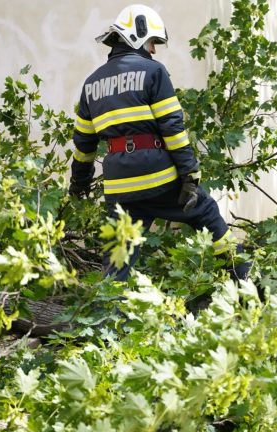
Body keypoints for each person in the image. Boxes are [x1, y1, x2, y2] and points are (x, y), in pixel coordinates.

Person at [69, 4, 248, 281]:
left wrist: (79, 183)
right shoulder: (153, 71)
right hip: (157, 176)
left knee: (118, 258)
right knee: (206, 212)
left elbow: (84, 146)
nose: (153, 50)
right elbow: (172, 128)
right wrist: (190, 174)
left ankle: (107, 304)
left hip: (119, 186)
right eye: (152, 41)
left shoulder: (91, 84)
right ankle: (245, 281)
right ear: (137, 34)